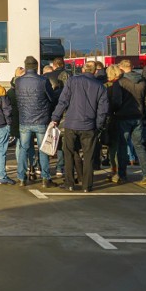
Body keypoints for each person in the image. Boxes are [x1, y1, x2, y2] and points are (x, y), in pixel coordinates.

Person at [50, 61, 109, 192]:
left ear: (83, 69)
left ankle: (70, 183)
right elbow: (102, 110)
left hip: (71, 123)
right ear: (95, 71)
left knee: (69, 153)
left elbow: (63, 101)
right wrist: (98, 126)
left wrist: (55, 118)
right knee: (89, 156)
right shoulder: (100, 87)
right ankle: (87, 186)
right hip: (89, 125)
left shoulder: (72, 81)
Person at [14, 56, 56, 188]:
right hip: (41, 119)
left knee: (23, 149)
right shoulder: (43, 80)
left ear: (26, 67)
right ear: (36, 67)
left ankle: (21, 177)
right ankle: (45, 178)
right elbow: (51, 98)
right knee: (43, 149)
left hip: (25, 120)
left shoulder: (19, 81)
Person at [111, 59, 146, 184]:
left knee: (122, 146)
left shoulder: (120, 82)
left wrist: (114, 111)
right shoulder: (142, 81)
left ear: (121, 68)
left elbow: (116, 101)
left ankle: (122, 175)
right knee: (139, 145)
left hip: (123, 116)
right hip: (138, 116)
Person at [102, 64, 123, 182]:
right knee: (119, 145)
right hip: (123, 116)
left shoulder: (108, 86)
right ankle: (119, 170)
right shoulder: (124, 83)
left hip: (111, 117)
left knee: (112, 146)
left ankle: (114, 170)